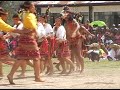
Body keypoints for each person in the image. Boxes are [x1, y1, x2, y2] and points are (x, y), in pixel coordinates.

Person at [7, 1, 44, 85]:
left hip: (24, 38)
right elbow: (33, 27)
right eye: (33, 6)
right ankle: (37, 77)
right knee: (36, 57)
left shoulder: (24, 14)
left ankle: (10, 74)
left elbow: (28, 26)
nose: (34, 7)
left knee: (22, 57)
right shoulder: (30, 15)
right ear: (29, 8)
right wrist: (37, 33)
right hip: (29, 39)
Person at [61, 6, 94, 73]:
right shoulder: (66, 23)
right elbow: (66, 31)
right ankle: (71, 69)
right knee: (71, 54)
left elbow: (79, 26)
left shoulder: (73, 20)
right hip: (70, 39)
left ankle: (82, 68)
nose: (65, 17)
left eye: (66, 16)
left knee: (78, 54)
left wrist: (74, 32)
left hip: (77, 38)